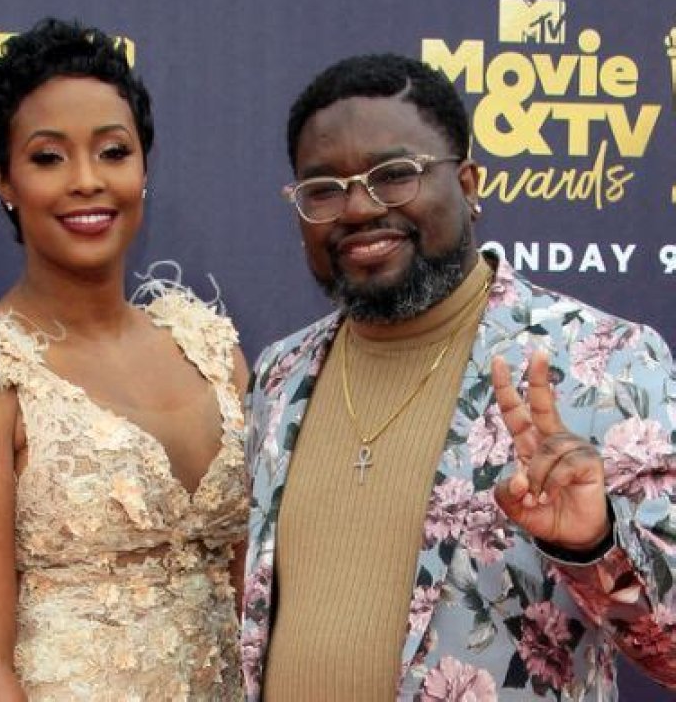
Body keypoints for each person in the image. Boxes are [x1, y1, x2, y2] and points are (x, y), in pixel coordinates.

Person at [242, 53, 676, 701]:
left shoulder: (608, 360)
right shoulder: (279, 374)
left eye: (394, 175)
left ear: (468, 184)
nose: (357, 208)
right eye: (324, 189)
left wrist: (594, 545)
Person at [0, 18, 248, 701]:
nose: (87, 181)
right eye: (48, 158)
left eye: (113, 152)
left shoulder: (211, 349)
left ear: (143, 168)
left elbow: (257, 599)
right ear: (4, 180)